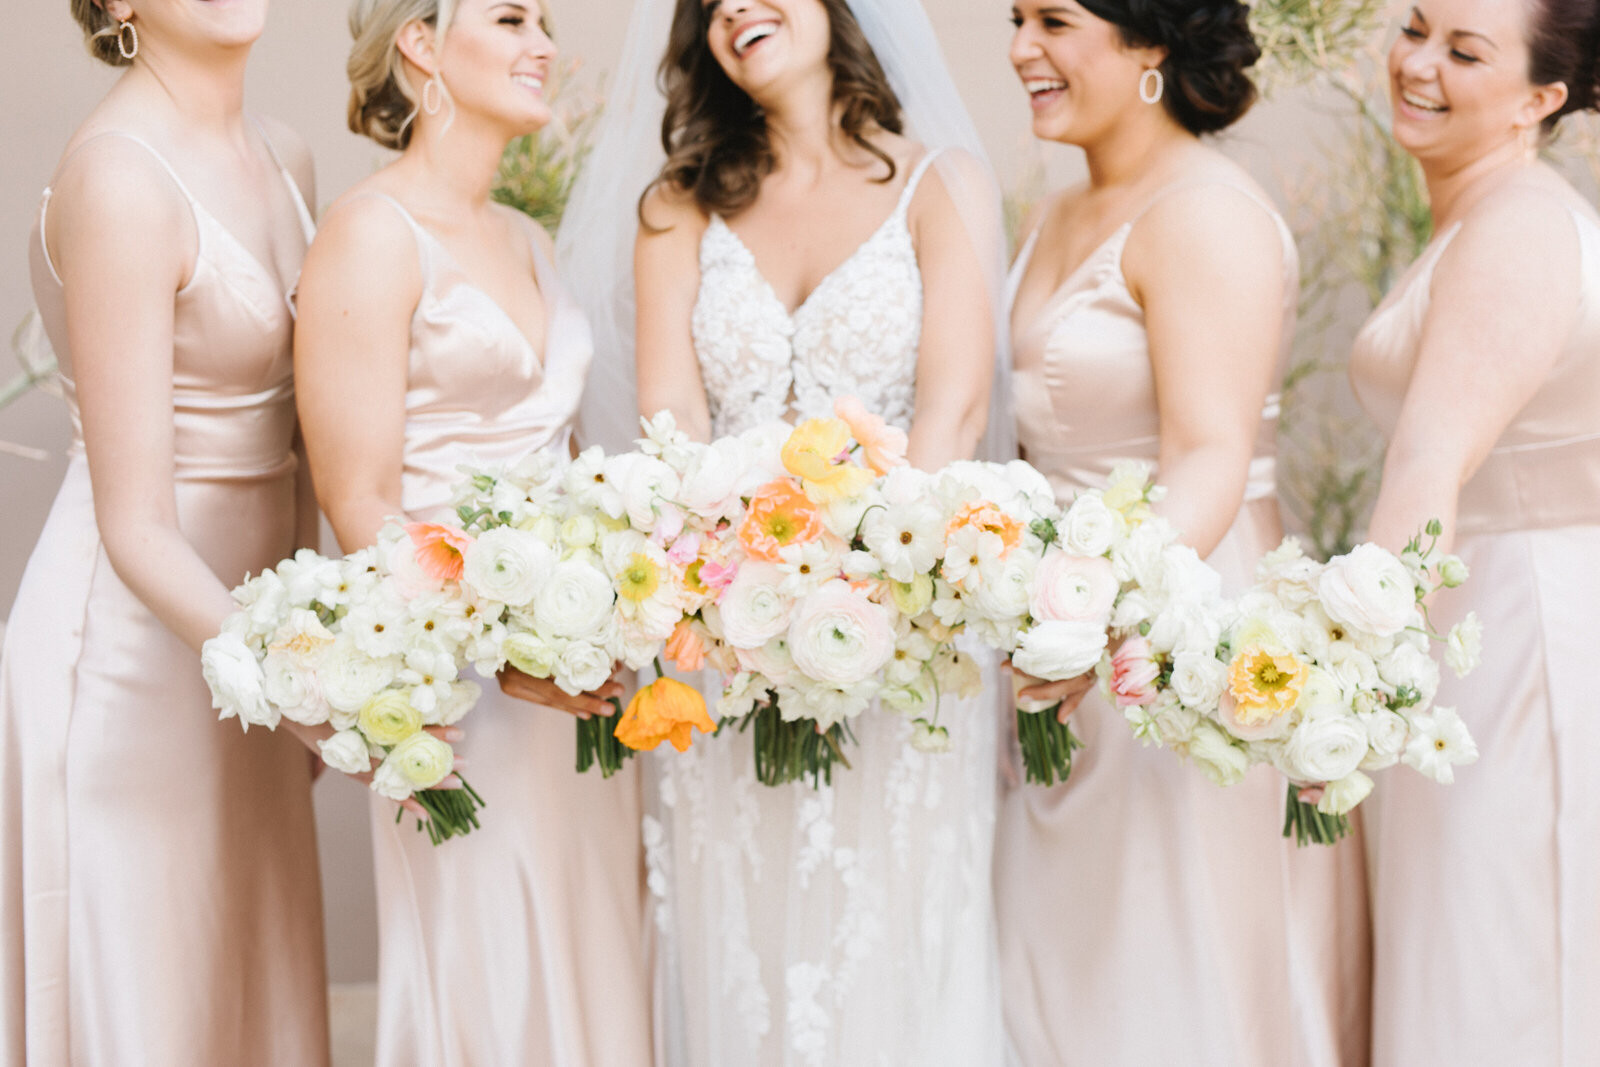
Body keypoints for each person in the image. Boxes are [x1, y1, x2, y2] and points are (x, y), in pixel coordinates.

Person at [564, 0, 1014, 1061]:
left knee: (894, 929)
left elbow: (949, 419)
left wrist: (867, 588)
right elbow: (669, 437)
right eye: (711, 2)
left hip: (905, 630)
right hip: (729, 636)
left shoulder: (939, 184)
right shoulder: (675, 211)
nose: (735, 10)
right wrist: (752, 594)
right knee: (747, 943)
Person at [996, 0, 1369, 1062]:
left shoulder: (1205, 212)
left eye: (1055, 20)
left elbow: (1206, 452)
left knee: (1163, 946)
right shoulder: (1061, 208)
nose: (1023, 47)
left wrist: (1096, 615)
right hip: (1057, 617)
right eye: (1016, 18)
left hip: (1173, 613)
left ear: (1150, 40)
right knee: (1063, 955)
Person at [292, 1, 650, 1062]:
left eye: (546, 19)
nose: (544, 43)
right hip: (457, 688)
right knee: (488, 972)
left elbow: (574, 461)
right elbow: (358, 501)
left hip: (579, 680)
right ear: (420, 42)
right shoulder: (368, 231)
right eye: (511, 16)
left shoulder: (529, 238)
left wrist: (606, 608)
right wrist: (506, 651)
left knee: (595, 951)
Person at [0, 0, 329, 1062]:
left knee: (248, 979)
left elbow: (301, 429)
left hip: (255, 634)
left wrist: (334, 629)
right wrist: (295, 676)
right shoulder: (118, 179)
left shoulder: (287, 153)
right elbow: (135, 523)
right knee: (157, 994)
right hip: (135, 655)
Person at [1351, 0, 1600, 1059]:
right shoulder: (1479, 210)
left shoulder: (1521, 226)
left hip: (1513, 633)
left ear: (1540, 98)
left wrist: (1336, 664)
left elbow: (1425, 465)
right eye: (1414, 28)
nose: (1417, 64)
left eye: (1462, 51)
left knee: (1500, 961)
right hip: (1463, 613)